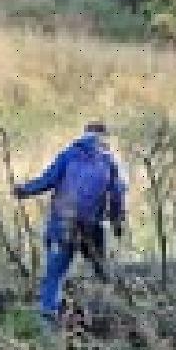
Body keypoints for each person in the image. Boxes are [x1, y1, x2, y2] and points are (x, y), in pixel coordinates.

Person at [14, 123, 127, 328]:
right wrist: (118, 222)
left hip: (62, 223)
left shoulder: (68, 154)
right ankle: (115, 315)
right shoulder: (110, 160)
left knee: (54, 275)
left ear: (84, 135)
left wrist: (23, 190)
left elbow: (47, 180)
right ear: (105, 138)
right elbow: (118, 193)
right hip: (92, 226)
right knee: (101, 270)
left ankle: (47, 324)